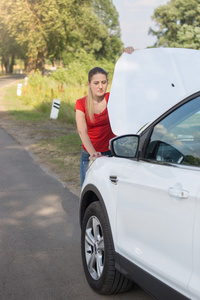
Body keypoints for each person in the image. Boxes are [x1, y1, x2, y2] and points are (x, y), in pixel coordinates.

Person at [75, 46, 134, 186]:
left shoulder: (112, 98)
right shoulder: (81, 103)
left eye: (104, 82)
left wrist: (128, 58)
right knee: (88, 189)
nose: (100, 86)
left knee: (110, 191)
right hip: (90, 154)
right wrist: (93, 154)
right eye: (96, 83)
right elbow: (82, 131)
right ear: (89, 84)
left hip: (111, 152)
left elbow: (128, 85)